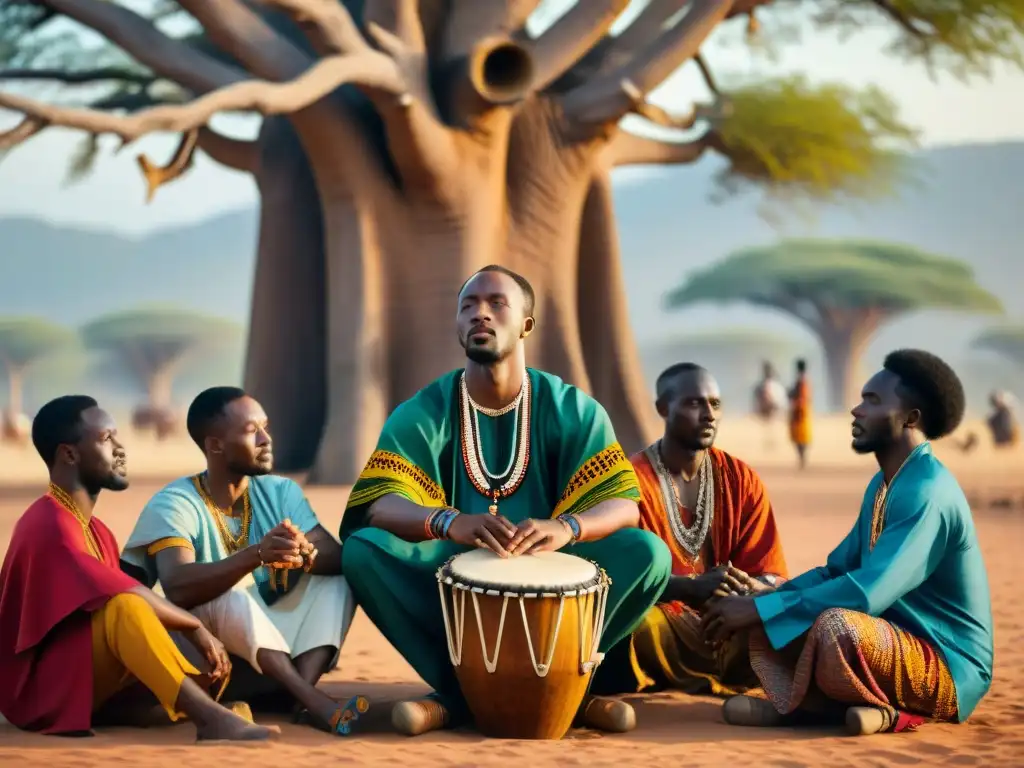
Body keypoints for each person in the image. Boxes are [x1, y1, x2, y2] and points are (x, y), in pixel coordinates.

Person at [340, 265, 672, 737]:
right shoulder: (424, 410)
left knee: (649, 555)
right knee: (364, 550)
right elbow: (379, 504)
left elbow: (623, 504)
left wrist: (567, 528)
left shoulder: (571, 408)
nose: (481, 314)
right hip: (450, 564)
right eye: (468, 305)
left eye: (497, 304)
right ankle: (461, 692)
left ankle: (566, 683)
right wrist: (447, 522)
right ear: (457, 325)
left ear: (526, 325)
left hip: (555, 560)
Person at [703, 350, 994, 736]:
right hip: (888, 636)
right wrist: (766, 596)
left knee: (834, 627)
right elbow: (838, 570)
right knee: (774, 601)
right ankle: (837, 708)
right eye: (860, 399)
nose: (856, 410)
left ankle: (833, 710)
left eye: (872, 401)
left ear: (911, 418)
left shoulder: (928, 492)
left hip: (948, 663)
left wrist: (764, 608)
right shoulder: (883, 485)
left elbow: (868, 592)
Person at [0, 395, 272, 742]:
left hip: (82, 669)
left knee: (175, 633)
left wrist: (192, 630)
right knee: (130, 608)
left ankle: (160, 709)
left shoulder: (96, 530)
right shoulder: (49, 521)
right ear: (69, 454)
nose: (120, 449)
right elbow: (123, 595)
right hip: (41, 694)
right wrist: (193, 627)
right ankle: (208, 719)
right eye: (105, 439)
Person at [120, 387, 365, 736]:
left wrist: (305, 554)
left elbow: (336, 556)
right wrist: (257, 555)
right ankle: (311, 700)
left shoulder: (280, 492)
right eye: (252, 431)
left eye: (266, 427)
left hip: (272, 647)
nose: (266, 439)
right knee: (230, 595)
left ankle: (299, 693)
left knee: (337, 579)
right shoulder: (175, 503)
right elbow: (178, 586)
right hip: (208, 655)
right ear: (215, 445)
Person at [593, 363, 788, 698]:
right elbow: (612, 581)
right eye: (695, 403)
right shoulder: (629, 480)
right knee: (636, 628)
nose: (709, 415)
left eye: (715, 404)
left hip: (731, 620)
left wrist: (746, 589)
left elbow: (771, 573)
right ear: (663, 409)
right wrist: (689, 588)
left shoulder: (742, 480)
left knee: (784, 622)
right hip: (664, 621)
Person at [753, 361, 786, 450]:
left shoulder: (764, 385)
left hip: (769, 407)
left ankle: (770, 441)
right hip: (771, 407)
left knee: (770, 425)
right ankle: (770, 441)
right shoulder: (772, 385)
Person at [788, 359, 812, 469]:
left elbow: (801, 396)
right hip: (802, 410)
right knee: (801, 436)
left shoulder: (801, 381)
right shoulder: (804, 380)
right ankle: (802, 459)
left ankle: (802, 459)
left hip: (800, 410)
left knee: (800, 436)